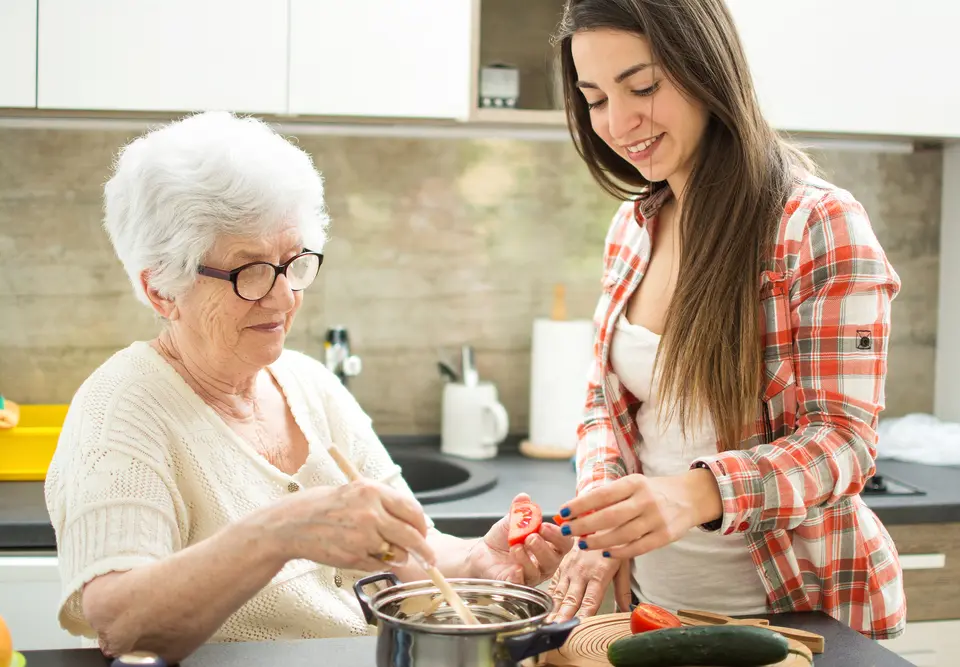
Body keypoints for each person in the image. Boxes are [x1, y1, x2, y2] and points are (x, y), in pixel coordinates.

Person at [43, 111, 572, 663]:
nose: (283, 297)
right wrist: (277, 534)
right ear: (162, 291)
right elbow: (122, 625)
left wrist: (474, 563)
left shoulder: (309, 384)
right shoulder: (120, 410)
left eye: (292, 262)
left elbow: (411, 551)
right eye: (250, 271)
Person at [544, 0, 906, 640]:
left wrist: (693, 493)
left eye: (644, 86)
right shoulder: (634, 228)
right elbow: (607, 405)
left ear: (706, 67)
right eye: (595, 98)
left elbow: (844, 442)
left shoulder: (815, 224)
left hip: (798, 617)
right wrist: (604, 520)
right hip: (652, 613)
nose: (619, 121)